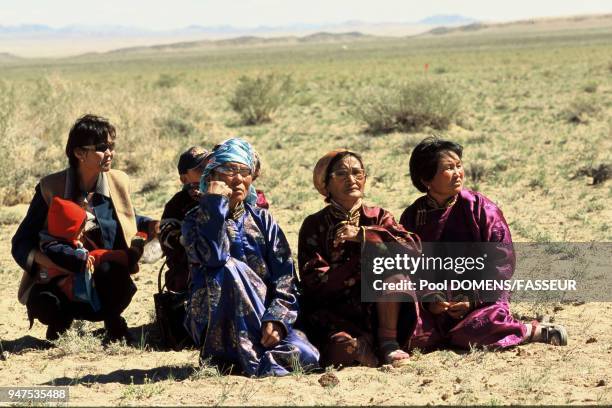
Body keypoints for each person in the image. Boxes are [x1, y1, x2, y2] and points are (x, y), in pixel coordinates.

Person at [399, 136, 568, 349]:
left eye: (459, 166)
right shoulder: (413, 216)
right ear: (426, 179)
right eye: (449, 168)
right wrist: (429, 298)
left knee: (475, 329)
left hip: (482, 296)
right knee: (410, 334)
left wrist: (473, 299)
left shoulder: (479, 208)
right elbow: (408, 265)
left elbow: (502, 260)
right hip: (437, 303)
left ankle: (531, 330)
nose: (458, 173)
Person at [12, 114, 159, 341]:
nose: (110, 153)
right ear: (79, 153)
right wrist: (53, 263)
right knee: (46, 303)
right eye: (102, 147)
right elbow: (22, 241)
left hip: (102, 274)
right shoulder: (51, 187)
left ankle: (113, 322)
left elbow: (123, 217)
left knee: (114, 275)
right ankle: (60, 322)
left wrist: (150, 224)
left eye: (111, 146)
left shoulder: (117, 181)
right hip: (57, 275)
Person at [181, 137, 319, 377]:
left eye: (244, 171)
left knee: (306, 355)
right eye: (228, 170)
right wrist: (215, 206)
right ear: (212, 175)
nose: (237, 178)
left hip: (263, 318)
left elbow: (285, 277)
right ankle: (241, 358)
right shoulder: (195, 219)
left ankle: (252, 356)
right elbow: (214, 257)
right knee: (229, 268)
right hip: (216, 320)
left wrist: (277, 320)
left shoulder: (263, 220)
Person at [298, 150, 421, 367]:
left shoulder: (379, 217)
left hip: (381, 308)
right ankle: (362, 345)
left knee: (393, 269)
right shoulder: (313, 225)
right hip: (336, 312)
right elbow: (314, 282)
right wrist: (356, 269)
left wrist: (364, 235)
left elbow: (412, 249)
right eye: (342, 174)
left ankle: (387, 342)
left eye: (357, 173)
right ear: (325, 184)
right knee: (340, 351)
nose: (352, 180)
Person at [41, 196, 145, 313]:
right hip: (70, 292)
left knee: (99, 256)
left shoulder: (64, 242)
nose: (83, 231)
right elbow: (75, 260)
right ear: (69, 229)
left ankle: (130, 257)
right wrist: (88, 257)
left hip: (75, 289)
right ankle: (131, 255)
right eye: (80, 228)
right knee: (98, 256)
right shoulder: (54, 247)